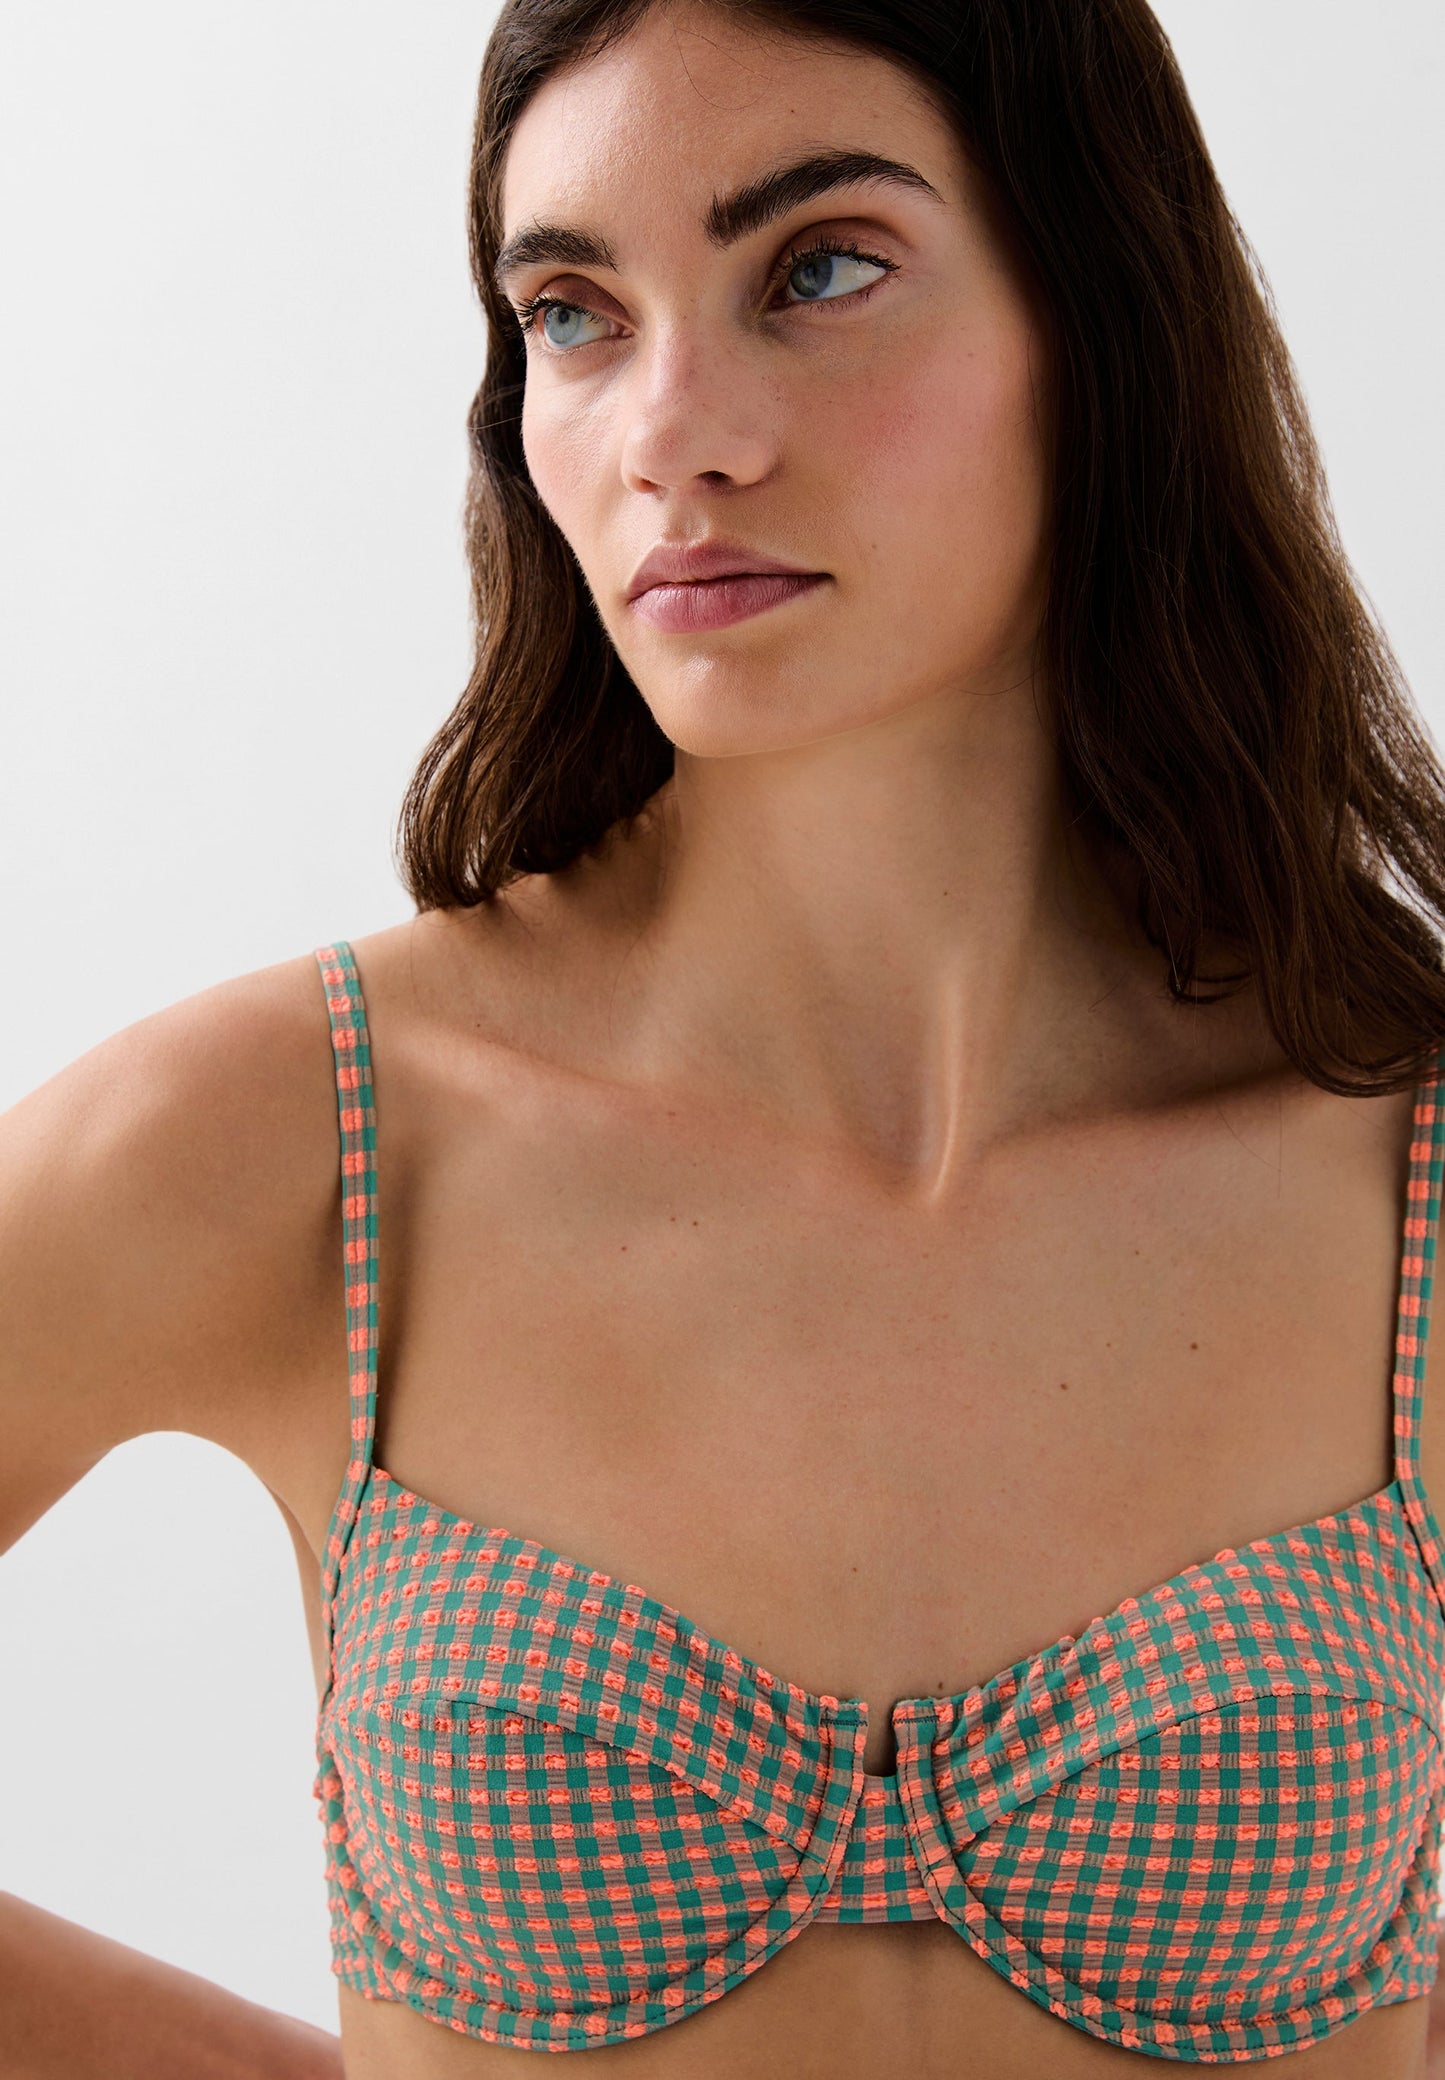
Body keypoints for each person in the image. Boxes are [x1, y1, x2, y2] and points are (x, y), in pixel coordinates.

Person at [5, 0, 1445, 2073]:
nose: (674, 431)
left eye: (819, 269)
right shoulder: (312, 1142)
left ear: (1099, 314)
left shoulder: (1400, 1169)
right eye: (575, 315)